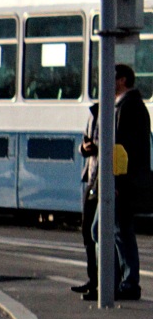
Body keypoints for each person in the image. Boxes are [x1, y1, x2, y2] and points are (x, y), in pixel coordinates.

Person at [112, 64, 147, 301]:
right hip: (126, 178)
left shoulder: (128, 107)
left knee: (119, 229)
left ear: (122, 80)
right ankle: (118, 280)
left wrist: (116, 179)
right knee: (117, 229)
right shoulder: (129, 105)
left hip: (124, 180)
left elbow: (123, 148)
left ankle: (128, 281)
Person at [74, 102, 100, 298]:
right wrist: (84, 147)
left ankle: (102, 282)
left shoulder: (117, 109)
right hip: (92, 178)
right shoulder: (95, 112)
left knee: (98, 232)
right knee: (88, 231)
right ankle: (94, 280)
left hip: (104, 179)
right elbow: (84, 144)